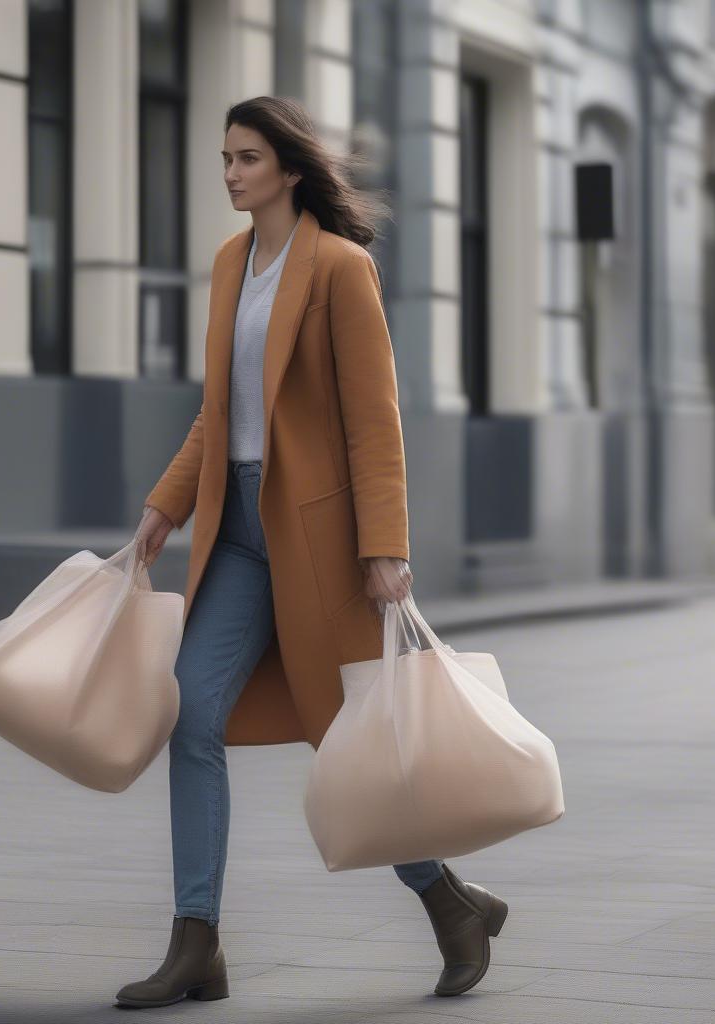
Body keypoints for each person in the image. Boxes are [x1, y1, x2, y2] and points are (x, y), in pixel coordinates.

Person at [116, 96, 507, 1009]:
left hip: (319, 536)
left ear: (290, 169)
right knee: (192, 714)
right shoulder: (228, 265)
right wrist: (164, 508)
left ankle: (447, 901)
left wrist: (384, 546)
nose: (229, 173)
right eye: (224, 157)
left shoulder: (338, 268)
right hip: (239, 534)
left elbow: (376, 419)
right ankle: (197, 943)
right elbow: (219, 413)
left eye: (247, 157)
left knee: (347, 739)